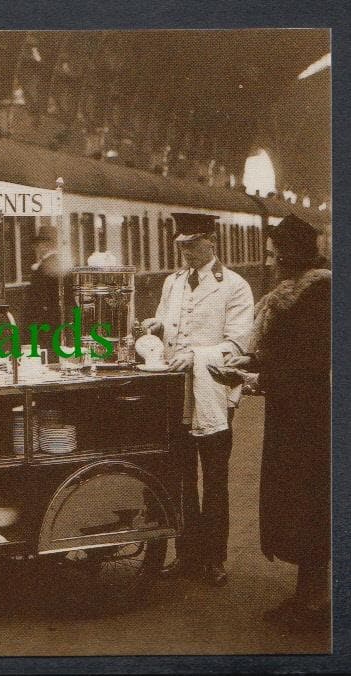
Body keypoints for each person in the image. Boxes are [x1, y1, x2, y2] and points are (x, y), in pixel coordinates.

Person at [217, 214, 330, 629]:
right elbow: (283, 354)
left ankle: (315, 603)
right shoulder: (293, 295)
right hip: (294, 415)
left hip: (312, 420)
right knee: (299, 504)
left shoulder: (317, 297)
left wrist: (253, 377)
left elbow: (310, 367)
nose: (268, 262)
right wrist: (250, 360)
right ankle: (306, 595)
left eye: (272, 254)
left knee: (310, 505)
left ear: (290, 257)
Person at [142, 212, 253, 586]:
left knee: (215, 480)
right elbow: (165, 322)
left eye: (191, 244)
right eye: (181, 245)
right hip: (176, 393)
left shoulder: (234, 286)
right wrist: (155, 327)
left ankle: (214, 558)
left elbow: (239, 344)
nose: (185, 252)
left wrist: (198, 354)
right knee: (181, 477)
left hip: (213, 395)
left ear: (211, 242)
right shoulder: (172, 284)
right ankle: (186, 554)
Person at [27, 225, 62, 331]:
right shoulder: (60, 262)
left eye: (38, 245)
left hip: (46, 319)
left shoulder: (43, 267)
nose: (36, 248)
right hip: (59, 316)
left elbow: (40, 297)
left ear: (45, 245)